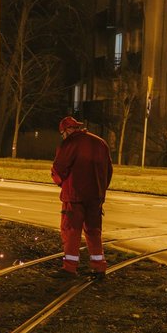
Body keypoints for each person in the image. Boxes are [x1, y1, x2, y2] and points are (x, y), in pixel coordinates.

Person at [51, 116, 113, 278]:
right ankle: (99, 267)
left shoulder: (70, 144)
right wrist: (100, 190)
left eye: (63, 133)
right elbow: (109, 170)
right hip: (96, 197)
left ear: (66, 131)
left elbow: (58, 169)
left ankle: (70, 268)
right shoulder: (100, 143)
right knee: (94, 231)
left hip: (74, 195)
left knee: (71, 231)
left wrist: (61, 183)